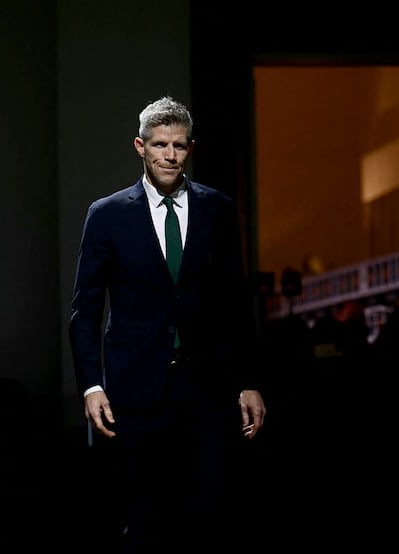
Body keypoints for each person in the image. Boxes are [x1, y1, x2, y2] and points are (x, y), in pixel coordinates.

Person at [69, 96, 267, 553]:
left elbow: (235, 302)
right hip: (136, 391)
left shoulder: (216, 209)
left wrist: (248, 380)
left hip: (206, 388)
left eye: (178, 146)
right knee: (141, 520)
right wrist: (91, 386)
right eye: (160, 145)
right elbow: (85, 308)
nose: (169, 155)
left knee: (209, 515)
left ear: (190, 148)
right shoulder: (108, 214)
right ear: (140, 146)